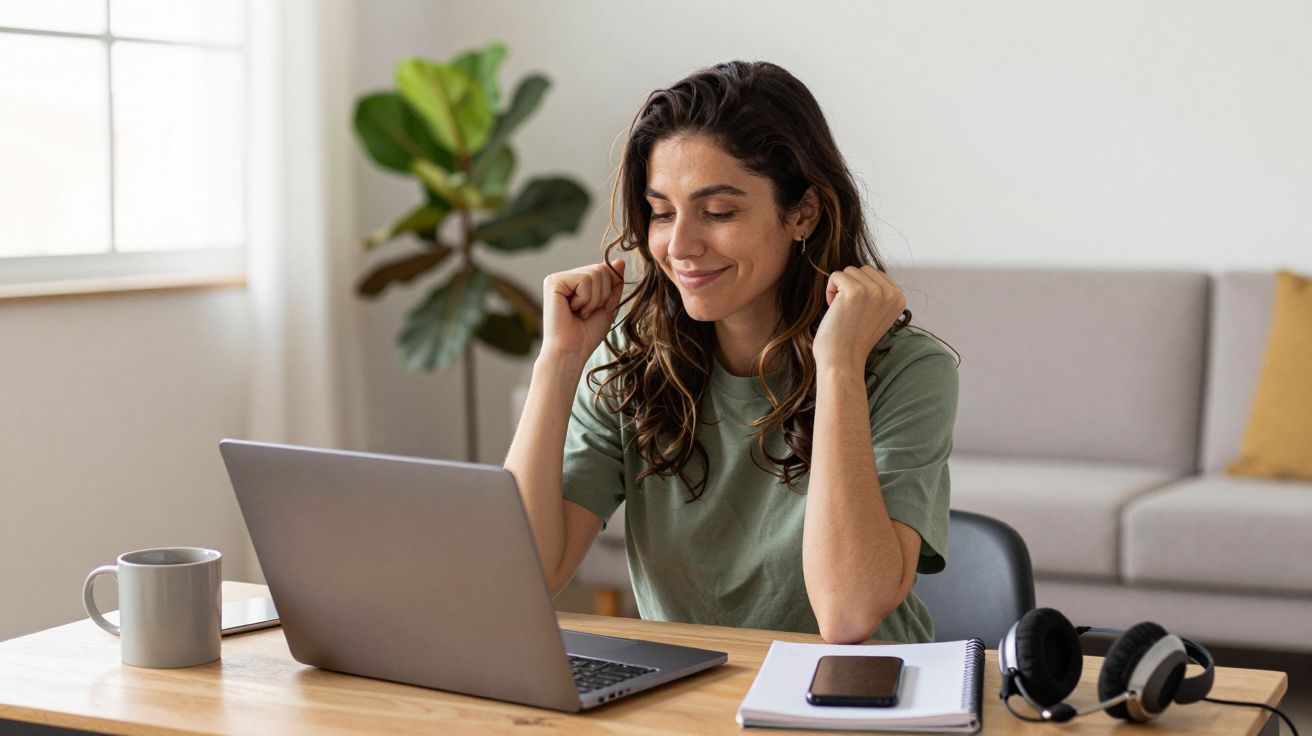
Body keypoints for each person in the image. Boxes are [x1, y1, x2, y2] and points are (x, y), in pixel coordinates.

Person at [504, 60, 958, 644]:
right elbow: (524, 578)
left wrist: (839, 366)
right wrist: (558, 363)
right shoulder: (633, 357)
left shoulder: (907, 369)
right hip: (687, 701)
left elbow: (848, 615)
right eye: (663, 213)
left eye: (718, 212)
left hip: (857, 703)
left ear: (802, 213)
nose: (681, 246)